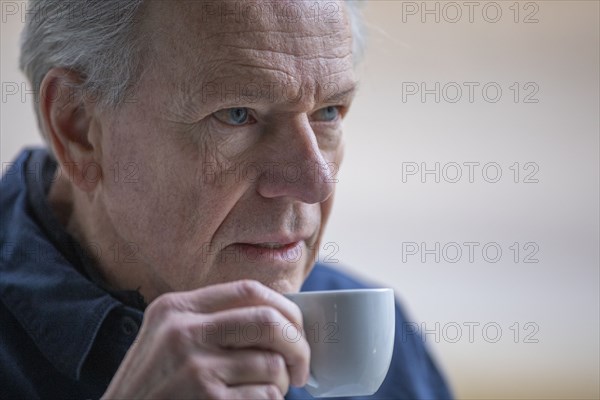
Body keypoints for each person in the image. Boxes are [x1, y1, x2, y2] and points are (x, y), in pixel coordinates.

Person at [0, 1, 453, 398]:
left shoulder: (373, 341)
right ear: (78, 129)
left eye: (328, 112)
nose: (316, 182)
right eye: (238, 115)